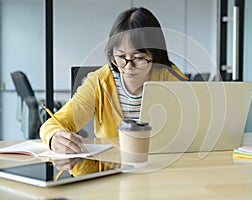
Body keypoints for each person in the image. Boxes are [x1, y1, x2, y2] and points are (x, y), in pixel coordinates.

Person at [40, 7, 188, 156]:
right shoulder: (99, 82)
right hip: (109, 167)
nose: (128, 67)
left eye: (138, 58)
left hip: (160, 165)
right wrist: (54, 138)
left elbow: (197, 124)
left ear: (155, 55)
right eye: (121, 57)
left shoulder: (170, 79)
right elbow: (54, 123)